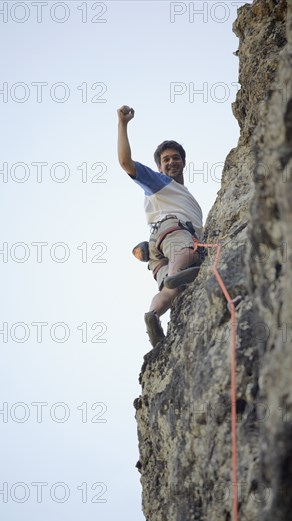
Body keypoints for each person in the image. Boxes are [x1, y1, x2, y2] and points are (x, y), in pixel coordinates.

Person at [117, 105, 204, 347]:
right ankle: (177, 275)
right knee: (185, 255)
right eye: (166, 159)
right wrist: (122, 124)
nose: (171, 162)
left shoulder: (179, 193)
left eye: (176, 158)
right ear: (159, 167)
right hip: (173, 234)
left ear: (184, 162)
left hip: (156, 251)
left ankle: (152, 316)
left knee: (169, 290)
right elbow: (125, 162)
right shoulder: (162, 183)